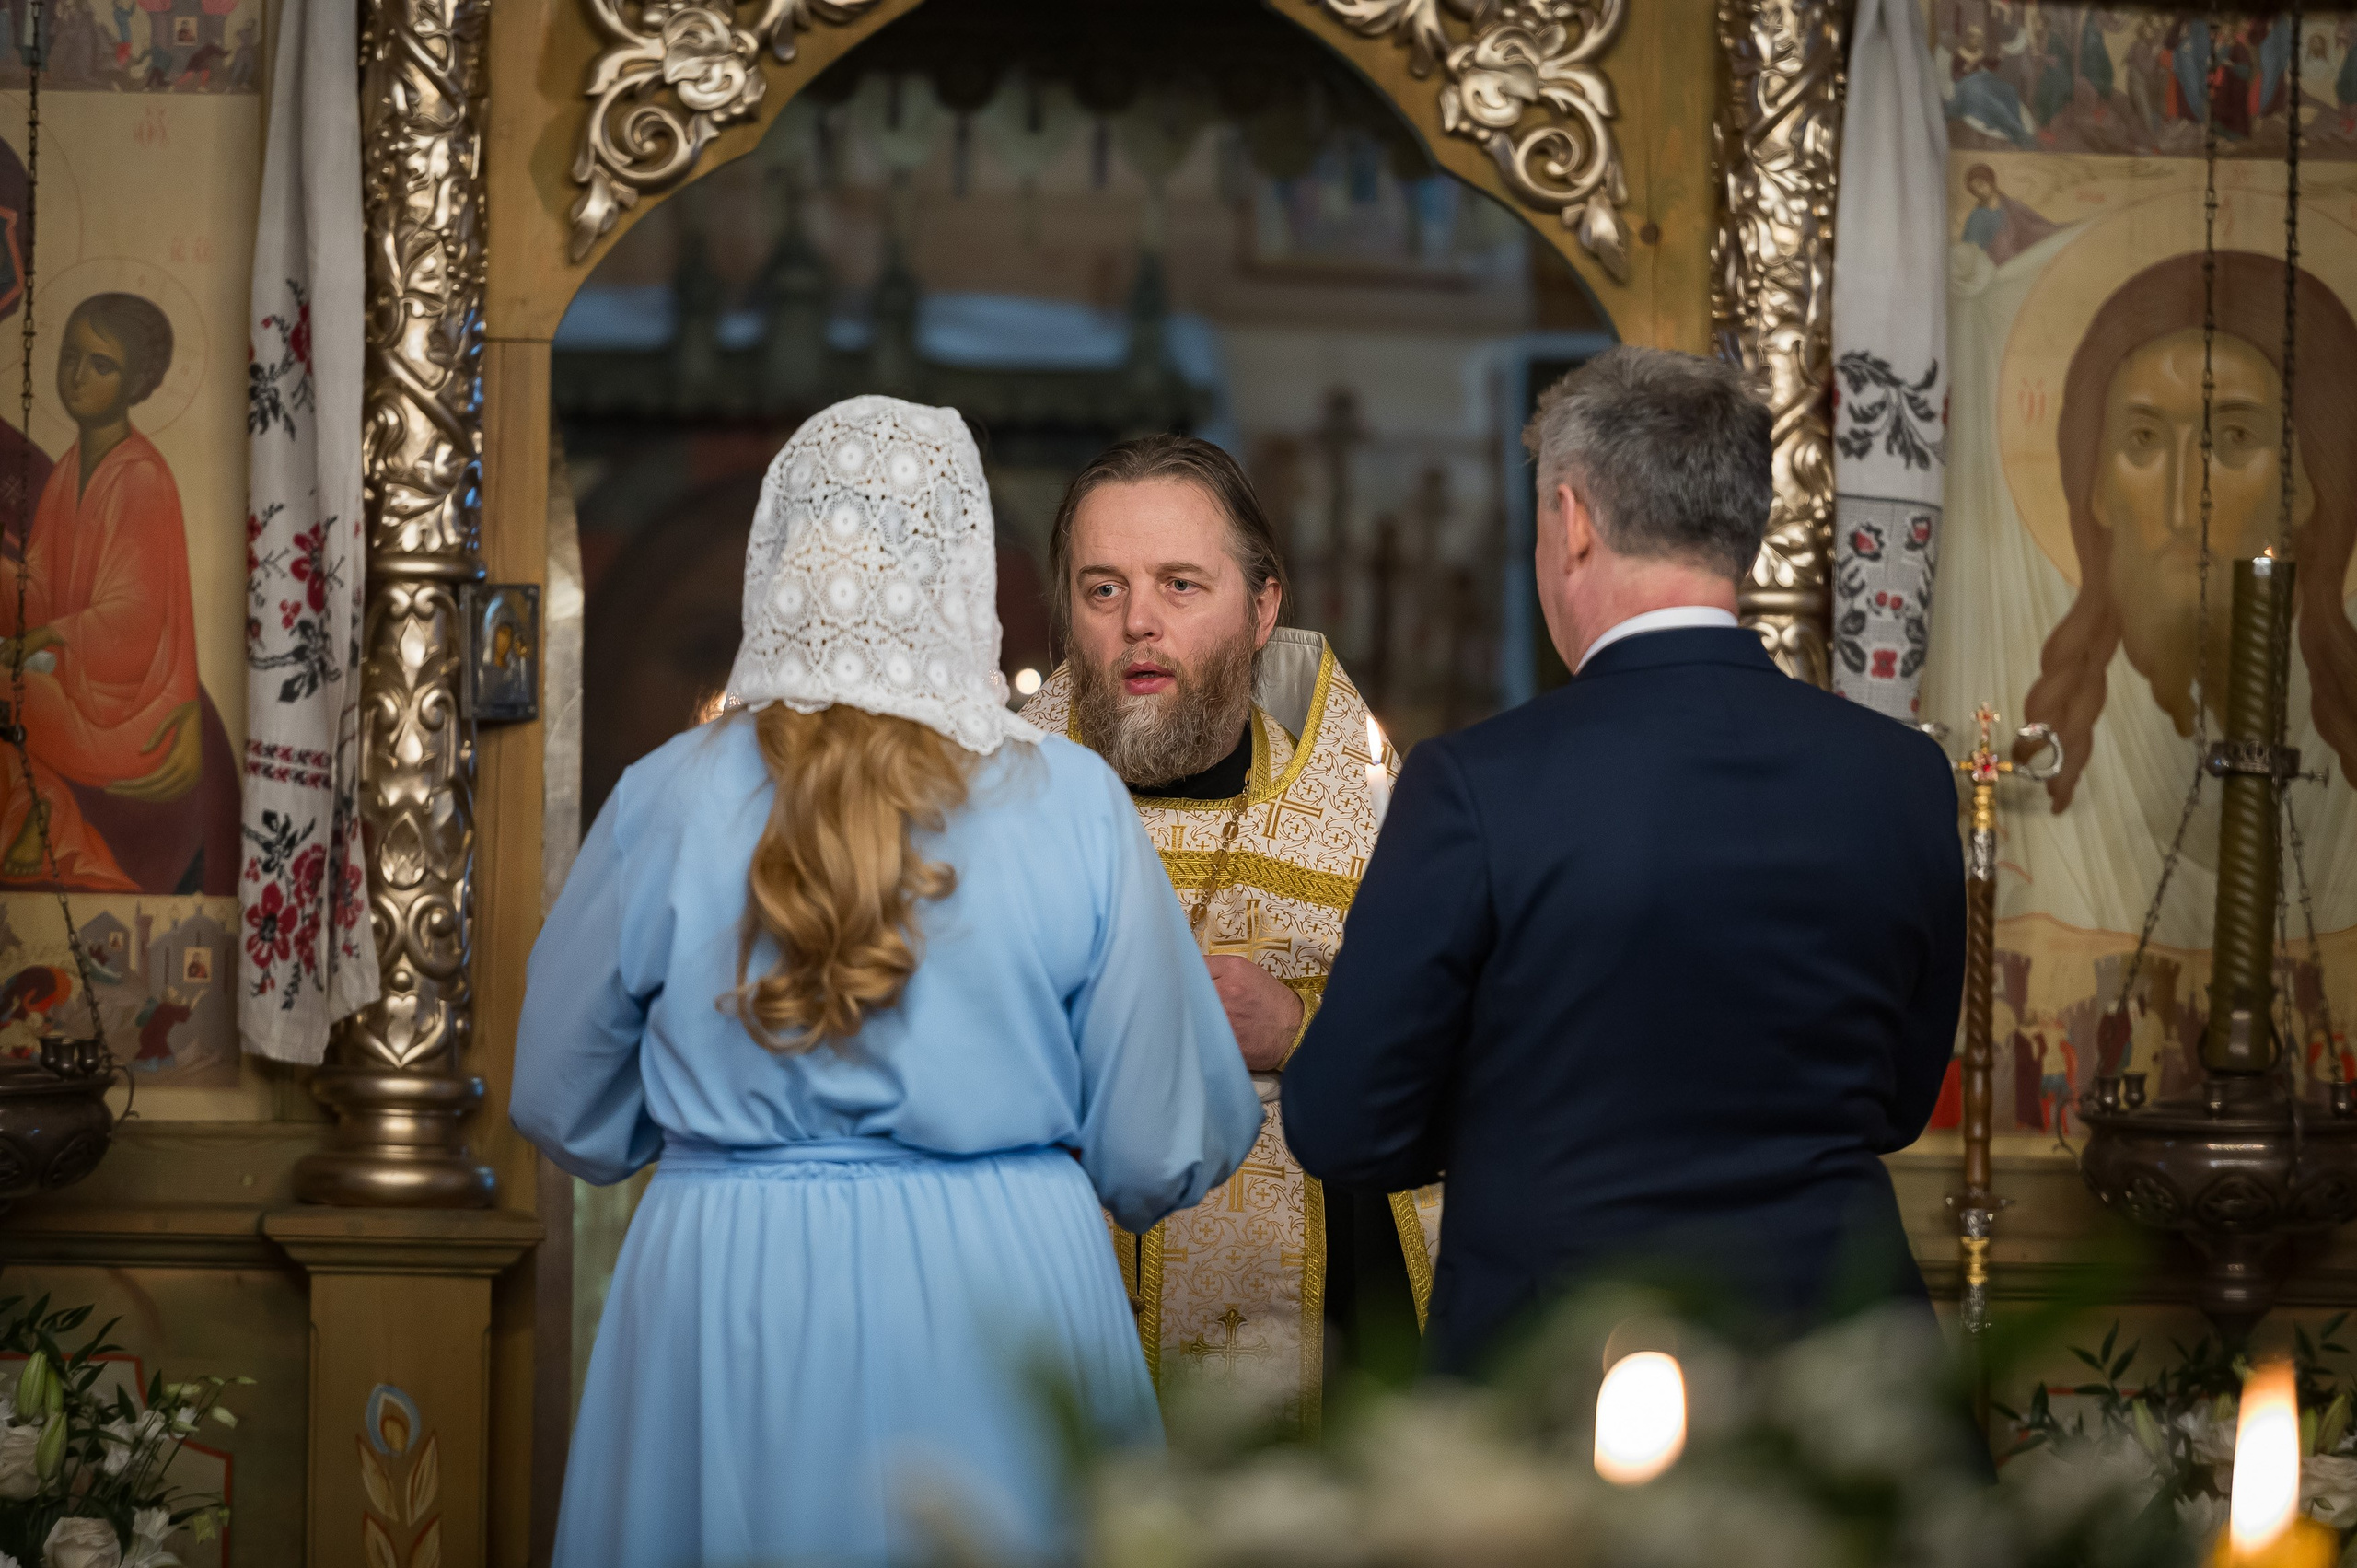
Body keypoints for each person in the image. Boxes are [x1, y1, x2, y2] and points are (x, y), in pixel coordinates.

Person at [512, 397, 1261, 1567]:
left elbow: (564, 1100)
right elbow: (1159, 1143)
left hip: (725, 1283)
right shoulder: (1066, 799)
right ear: (965, 573)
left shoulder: (665, 792)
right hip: (1002, 1283)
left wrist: (730, 1145)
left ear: (779, 560)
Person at [1281, 346, 1967, 1374]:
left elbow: (1343, 1127)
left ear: (1573, 519)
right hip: (1838, 1377)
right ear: (1742, 525)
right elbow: (1898, 1100)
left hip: (1562, 1375)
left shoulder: (1479, 784)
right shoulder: (1902, 778)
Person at [1017, 435, 1430, 1425]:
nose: (1139, 624)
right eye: (1102, 589)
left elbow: (1467, 1052)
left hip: (1303, 1368)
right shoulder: (989, 808)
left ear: (1262, 608)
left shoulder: (1375, 818)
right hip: (1038, 1324)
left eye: (1181, 585)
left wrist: (1301, 1027)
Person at [0, 292, 207, 891]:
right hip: (75, 682)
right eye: (70, 357)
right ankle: (35, 810)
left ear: (136, 381)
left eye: (101, 364)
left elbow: (133, 622)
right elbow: (36, 589)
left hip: (127, 715)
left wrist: (47, 634)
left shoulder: (139, 476)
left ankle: (50, 820)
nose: (77, 376)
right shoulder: (71, 468)